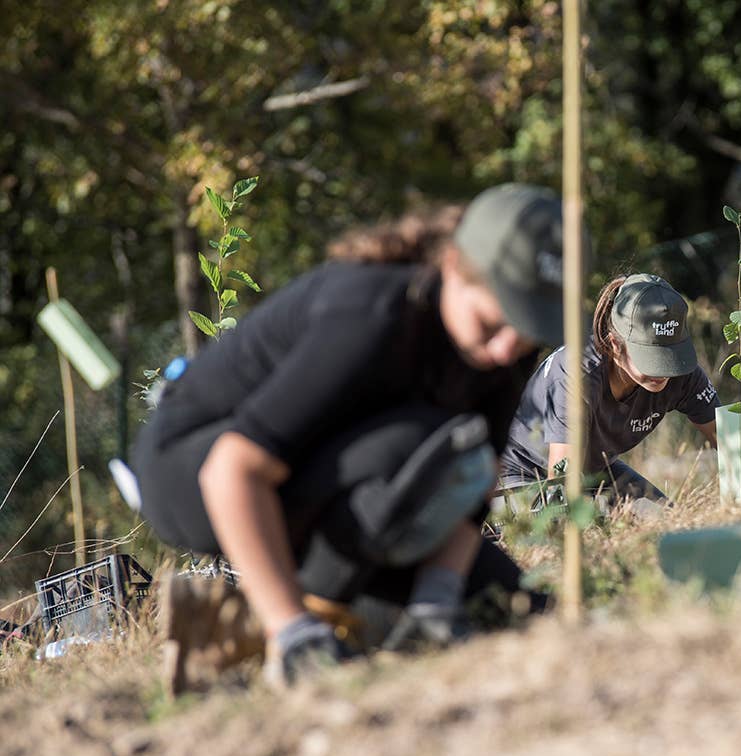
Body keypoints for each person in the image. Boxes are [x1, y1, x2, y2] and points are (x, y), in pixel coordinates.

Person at [132, 183, 577, 684]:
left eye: (527, 330)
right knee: (420, 444)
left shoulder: (506, 346)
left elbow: (476, 478)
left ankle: (231, 634)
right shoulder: (371, 315)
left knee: (517, 605)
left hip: (331, 472)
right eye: (491, 323)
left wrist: (438, 602)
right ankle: (280, 628)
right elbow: (232, 470)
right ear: (452, 266)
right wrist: (295, 632)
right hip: (193, 472)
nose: (505, 351)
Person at [498, 273, 719, 507]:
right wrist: (610, 514)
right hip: (522, 474)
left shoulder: (681, 371)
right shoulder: (576, 376)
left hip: (594, 470)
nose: (664, 370)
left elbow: (731, 442)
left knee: (667, 517)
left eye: (671, 355)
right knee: (591, 523)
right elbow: (562, 488)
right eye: (651, 359)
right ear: (615, 344)